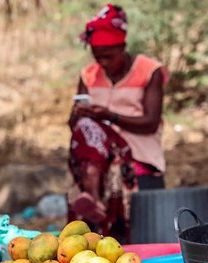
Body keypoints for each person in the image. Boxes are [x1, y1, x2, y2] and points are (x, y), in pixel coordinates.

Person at [67, 4, 168, 241]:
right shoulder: (88, 74)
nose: (103, 63)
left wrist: (108, 115)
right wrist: (78, 116)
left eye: (109, 56)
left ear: (123, 47)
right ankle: (91, 196)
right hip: (96, 154)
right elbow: (74, 124)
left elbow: (151, 122)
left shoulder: (149, 71)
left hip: (138, 154)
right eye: (97, 56)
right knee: (85, 128)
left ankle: (92, 194)